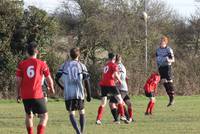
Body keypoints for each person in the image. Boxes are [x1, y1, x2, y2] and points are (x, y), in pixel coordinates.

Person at [16, 42, 55, 134]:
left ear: (27, 53)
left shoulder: (22, 64)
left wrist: (18, 94)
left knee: (29, 116)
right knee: (44, 116)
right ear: (37, 51)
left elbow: (18, 81)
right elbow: (49, 79)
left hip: (25, 95)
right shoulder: (42, 64)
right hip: (37, 94)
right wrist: (51, 88)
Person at [55, 47, 91, 134]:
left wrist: (62, 86)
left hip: (68, 93)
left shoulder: (64, 65)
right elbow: (86, 81)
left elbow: (56, 78)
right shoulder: (82, 66)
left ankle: (78, 132)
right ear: (78, 55)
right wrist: (89, 95)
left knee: (71, 113)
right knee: (82, 112)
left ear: (70, 55)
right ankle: (81, 132)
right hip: (79, 93)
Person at [96, 52, 126, 125]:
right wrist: (120, 81)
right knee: (120, 100)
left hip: (103, 84)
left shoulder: (106, 65)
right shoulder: (114, 65)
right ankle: (122, 116)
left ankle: (98, 119)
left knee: (103, 103)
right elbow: (115, 74)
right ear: (114, 58)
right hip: (111, 84)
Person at [109, 54, 134, 123]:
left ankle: (123, 118)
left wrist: (114, 81)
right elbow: (124, 77)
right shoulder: (122, 66)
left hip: (120, 88)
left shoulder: (118, 66)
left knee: (113, 103)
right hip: (123, 88)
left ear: (115, 60)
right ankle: (127, 118)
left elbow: (120, 76)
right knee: (128, 103)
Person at [156, 36, 175, 107]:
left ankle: (172, 97)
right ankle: (170, 98)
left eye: (162, 41)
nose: (161, 42)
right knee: (164, 81)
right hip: (161, 68)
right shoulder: (157, 50)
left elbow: (173, 59)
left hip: (167, 67)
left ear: (165, 42)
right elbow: (157, 60)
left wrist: (168, 60)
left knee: (169, 81)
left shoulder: (168, 49)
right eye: (160, 41)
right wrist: (157, 68)